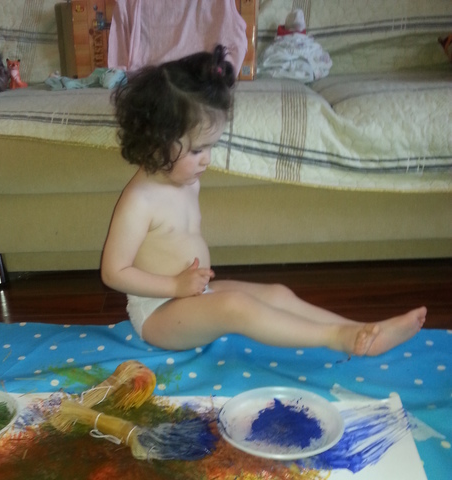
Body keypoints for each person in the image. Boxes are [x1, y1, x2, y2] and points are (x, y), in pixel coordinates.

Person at [100, 45, 426, 355]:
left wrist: (185, 287)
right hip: (158, 313)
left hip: (192, 294)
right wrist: (174, 286)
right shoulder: (140, 201)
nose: (207, 160)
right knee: (236, 307)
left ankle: (363, 331)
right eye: (198, 150)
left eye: (211, 147)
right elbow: (113, 272)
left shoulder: (187, 181)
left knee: (277, 294)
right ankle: (337, 339)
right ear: (156, 141)